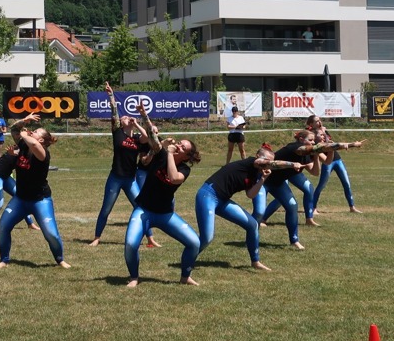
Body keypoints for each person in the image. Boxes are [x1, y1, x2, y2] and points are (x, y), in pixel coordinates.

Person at [124, 104, 201, 287]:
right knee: (130, 244)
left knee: (194, 243)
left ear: (186, 156)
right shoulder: (161, 153)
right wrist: (144, 114)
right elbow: (152, 135)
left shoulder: (184, 169)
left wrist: (170, 155)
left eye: (182, 147)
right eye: (179, 143)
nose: (178, 146)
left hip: (165, 214)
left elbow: (174, 178)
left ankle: (185, 277)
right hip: (144, 210)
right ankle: (134, 277)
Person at [194, 144, 303, 273]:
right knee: (207, 237)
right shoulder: (252, 162)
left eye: (271, 160)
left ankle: (255, 261)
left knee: (252, 225)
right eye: (267, 160)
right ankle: (190, 256)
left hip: (222, 200)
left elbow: (250, 194)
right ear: (258, 156)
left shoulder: (256, 174)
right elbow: (268, 164)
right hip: (208, 195)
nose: (269, 163)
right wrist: (292, 164)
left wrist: (263, 179)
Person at [0, 114, 70, 269]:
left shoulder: (43, 153)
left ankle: (60, 259)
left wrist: (23, 133)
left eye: (36, 132)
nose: (32, 132)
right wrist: (24, 121)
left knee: (51, 234)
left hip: (40, 200)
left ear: (41, 140)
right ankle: (4, 259)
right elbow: (14, 128)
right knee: (3, 226)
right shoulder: (23, 145)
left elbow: (34, 145)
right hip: (20, 199)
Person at [89, 81, 150, 246]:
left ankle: (150, 238)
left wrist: (137, 123)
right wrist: (111, 95)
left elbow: (148, 136)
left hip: (130, 180)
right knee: (106, 209)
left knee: (141, 207)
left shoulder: (137, 139)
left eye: (127, 117)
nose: (126, 118)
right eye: (124, 118)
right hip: (115, 177)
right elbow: (114, 111)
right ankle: (96, 238)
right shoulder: (118, 133)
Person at [258, 130, 326, 248]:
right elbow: (291, 157)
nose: (313, 142)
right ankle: (254, 230)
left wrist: (316, 156)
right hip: (263, 180)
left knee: (292, 205)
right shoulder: (294, 148)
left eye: (313, 140)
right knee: (259, 211)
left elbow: (315, 172)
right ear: (301, 140)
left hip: (278, 183)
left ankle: (294, 240)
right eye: (310, 140)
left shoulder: (305, 154)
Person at [307, 115, 365, 215]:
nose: (319, 122)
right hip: (327, 162)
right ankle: (313, 208)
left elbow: (333, 144)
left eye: (320, 120)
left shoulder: (324, 131)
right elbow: (323, 145)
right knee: (321, 185)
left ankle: (352, 207)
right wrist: (352, 144)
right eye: (316, 121)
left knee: (346, 183)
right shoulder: (311, 135)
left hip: (337, 159)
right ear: (311, 124)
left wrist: (352, 144)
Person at [0, 137, 38, 232]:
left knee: (22, 197)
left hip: (6, 176)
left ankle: (30, 224)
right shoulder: (19, 149)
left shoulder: (30, 153)